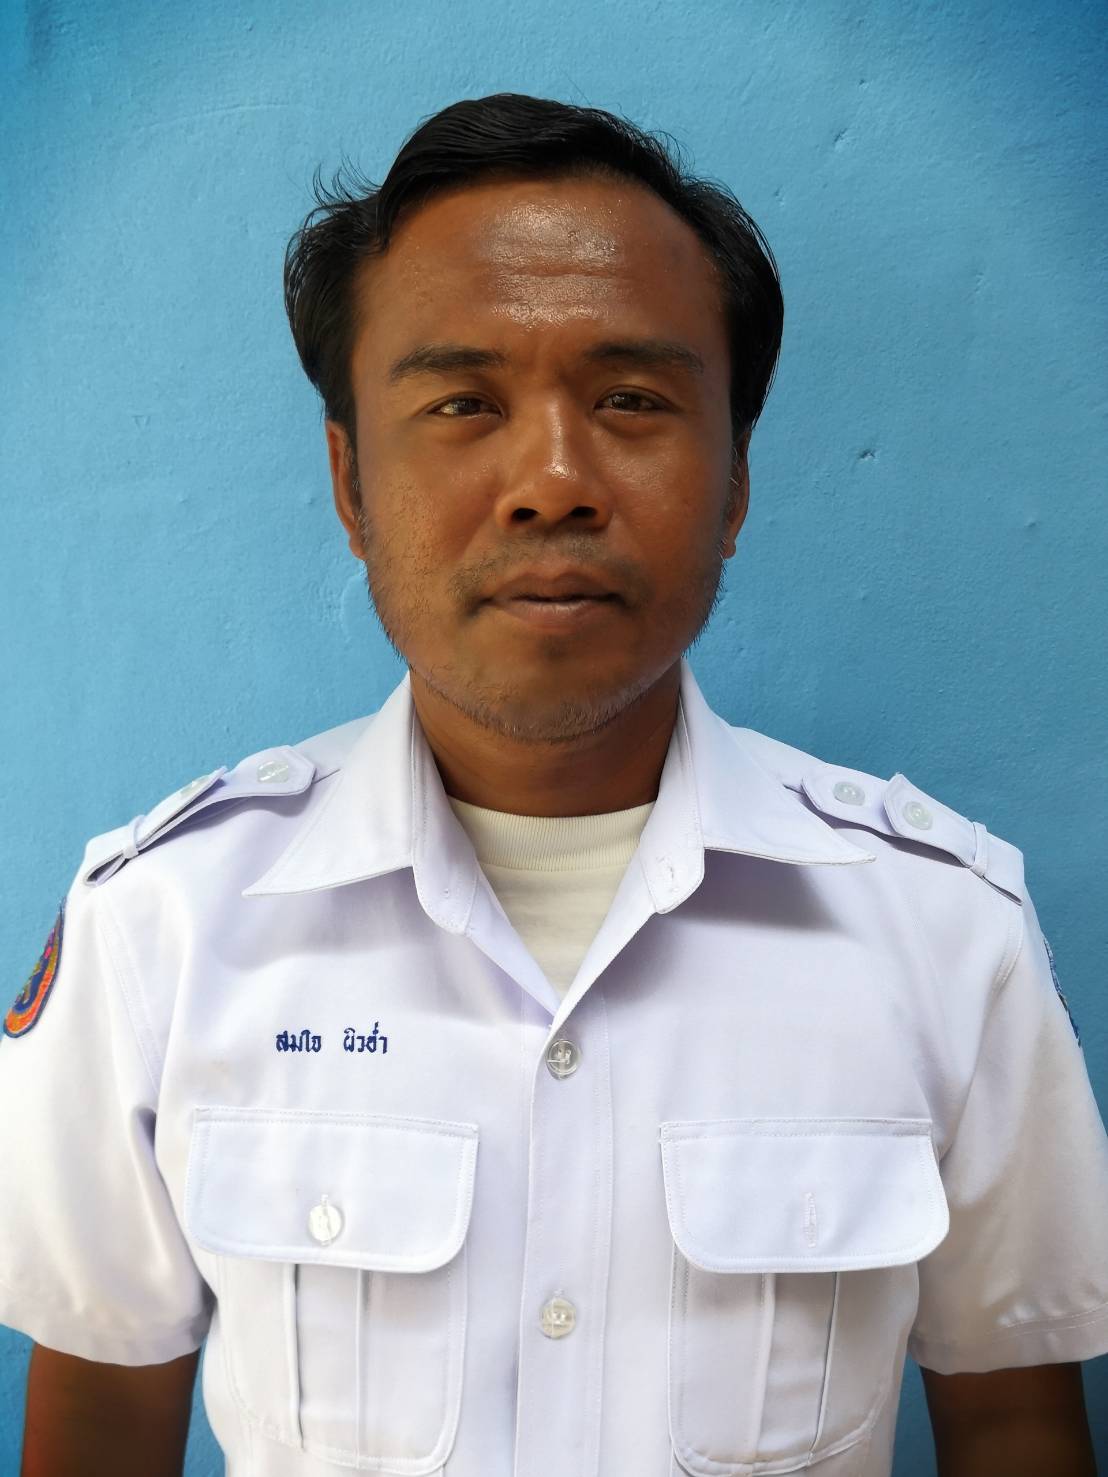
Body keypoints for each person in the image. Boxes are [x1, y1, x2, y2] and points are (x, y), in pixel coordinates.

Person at [3, 92, 1106, 1477]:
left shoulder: (943, 930)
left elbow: (1015, 1423)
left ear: (735, 481)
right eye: (463, 403)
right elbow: (101, 1421)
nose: (554, 482)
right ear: (350, 483)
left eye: (632, 400)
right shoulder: (162, 925)